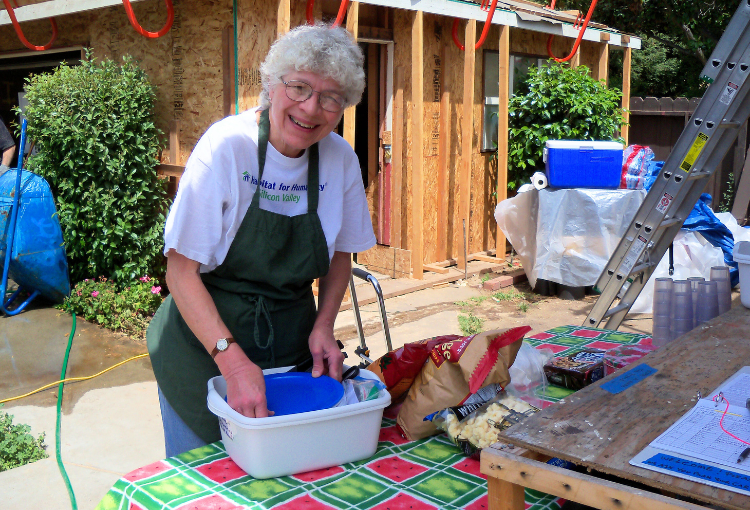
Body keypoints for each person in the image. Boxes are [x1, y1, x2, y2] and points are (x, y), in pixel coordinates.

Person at [147, 23, 376, 457]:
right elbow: (180, 273)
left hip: (290, 347)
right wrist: (230, 361)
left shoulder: (341, 160)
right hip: (202, 346)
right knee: (206, 486)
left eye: (331, 98)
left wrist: (324, 324)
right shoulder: (225, 148)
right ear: (272, 84)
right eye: (299, 87)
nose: (311, 109)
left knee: (284, 479)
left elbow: (342, 254)